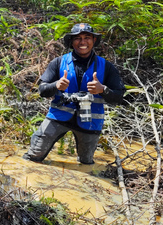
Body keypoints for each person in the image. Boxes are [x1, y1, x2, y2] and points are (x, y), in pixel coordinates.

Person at [23, 23, 125, 165]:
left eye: (87, 37)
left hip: (90, 121)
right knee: (33, 156)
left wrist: (103, 90)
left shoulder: (107, 67)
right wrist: (56, 85)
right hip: (58, 117)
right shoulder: (58, 62)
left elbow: (119, 97)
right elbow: (42, 90)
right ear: (71, 41)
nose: (82, 42)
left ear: (94, 40)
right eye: (77, 38)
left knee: (86, 164)